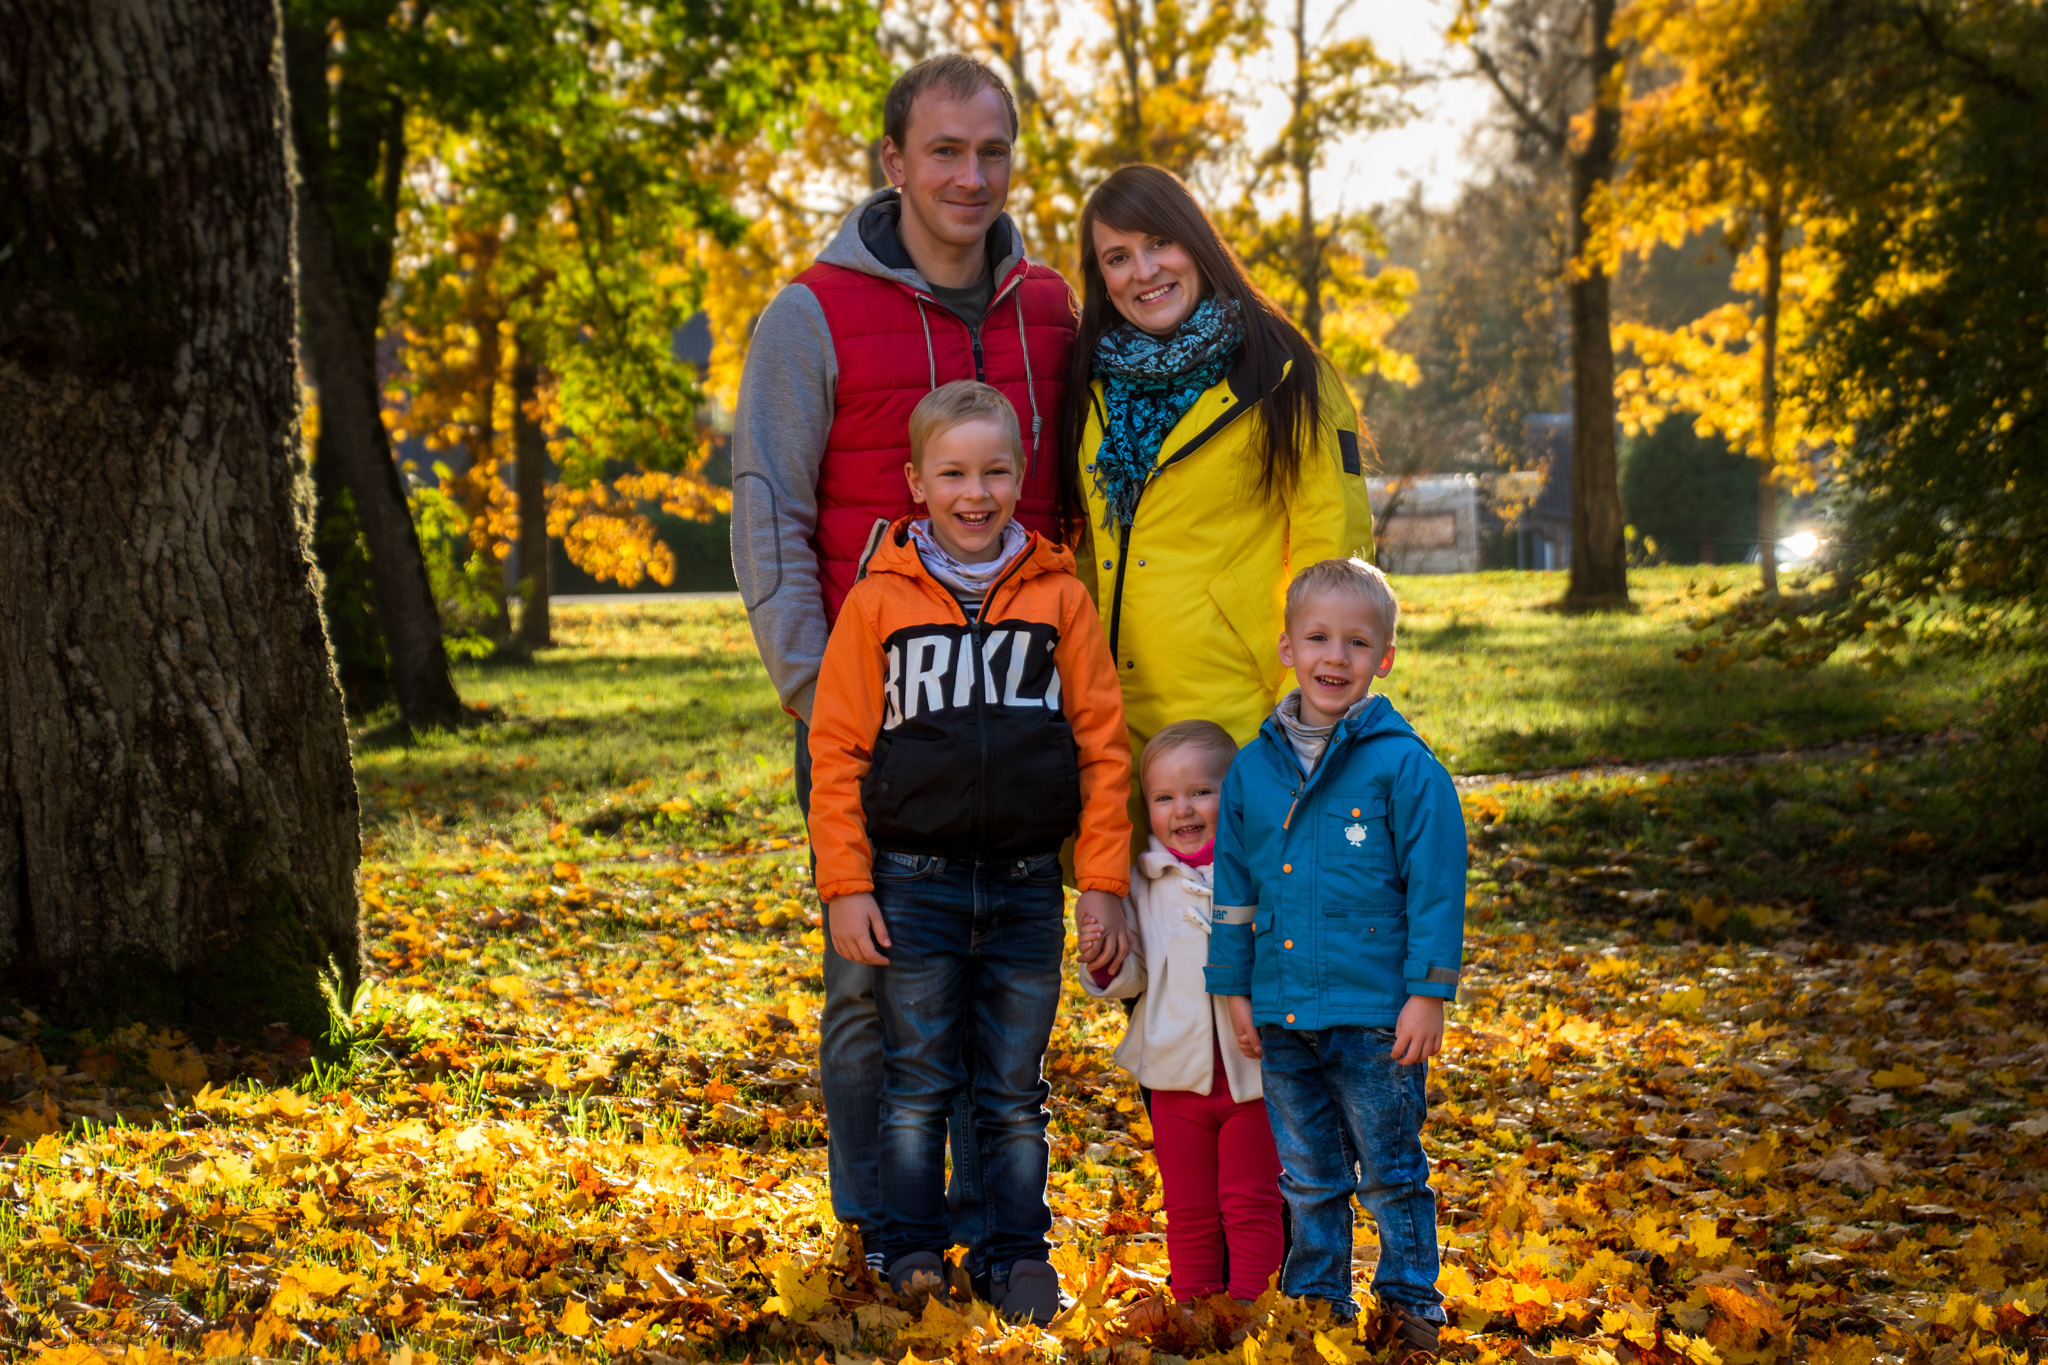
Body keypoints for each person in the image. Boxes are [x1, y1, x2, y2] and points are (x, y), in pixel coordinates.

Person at [731, 53, 1115, 1257]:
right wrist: (821, 689)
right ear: (892, 163)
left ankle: (988, 1229)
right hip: (876, 717)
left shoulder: (1050, 308)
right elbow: (766, 514)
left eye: (991, 152)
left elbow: (1080, 497)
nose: (969, 175)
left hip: (1015, 713)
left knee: (1000, 980)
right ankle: (878, 1227)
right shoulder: (809, 315)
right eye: (942, 151)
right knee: (871, 987)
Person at [806, 381, 1134, 1323]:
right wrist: (846, 885)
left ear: (1020, 475)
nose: (975, 491)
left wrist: (1101, 880)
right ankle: (910, 1245)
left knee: (1013, 1092)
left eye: (995, 470)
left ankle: (1015, 1253)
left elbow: (1104, 746)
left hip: (1031, 885)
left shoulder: (1061, 598)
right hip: (915, 884)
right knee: (916, 1082)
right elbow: (838, 754)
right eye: (952, 472)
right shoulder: (878, 604)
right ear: (917, 482)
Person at [1205, 558, 1466, 1353]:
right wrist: (1234, 986)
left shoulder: (1402, 765)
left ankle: (1409, 1296)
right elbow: (1235, 885)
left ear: (1383, 657)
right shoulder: (1254, 768)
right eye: (1318, 637)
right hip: (1284, 1011)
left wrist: (1428, 991)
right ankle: (1319, 1298)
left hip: (1376, 1015)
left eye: (1357, 642)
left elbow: (1435, 883)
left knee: (1391, 1168)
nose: (1334, 656)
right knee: (1309, 1174)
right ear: (1286, 646)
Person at [1057, 164, 1376, 804]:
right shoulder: (1086, 388)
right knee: (1140, 900)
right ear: (1101, 279)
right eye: (1117, 257)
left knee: (1246, 900)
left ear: (1196, 243)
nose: (1143, 271)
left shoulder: (1286, 376)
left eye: (1158, 243)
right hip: (1112, 722)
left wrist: (1314, 717)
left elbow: (1332, 556)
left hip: (1243, 719)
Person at [1078, 719, 1284, 1303]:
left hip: (1255, 1075)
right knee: (1189, 1206)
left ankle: (1250, 1311)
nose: (1183, 809)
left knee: (1250, 1202)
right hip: (1176, 1077)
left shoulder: (1264, 871)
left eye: (1200, 792)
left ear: (1235, 794)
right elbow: (1135, 974)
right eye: (1164, 798)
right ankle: (1194, 1306)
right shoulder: (1142, 883)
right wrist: (1104, 959)